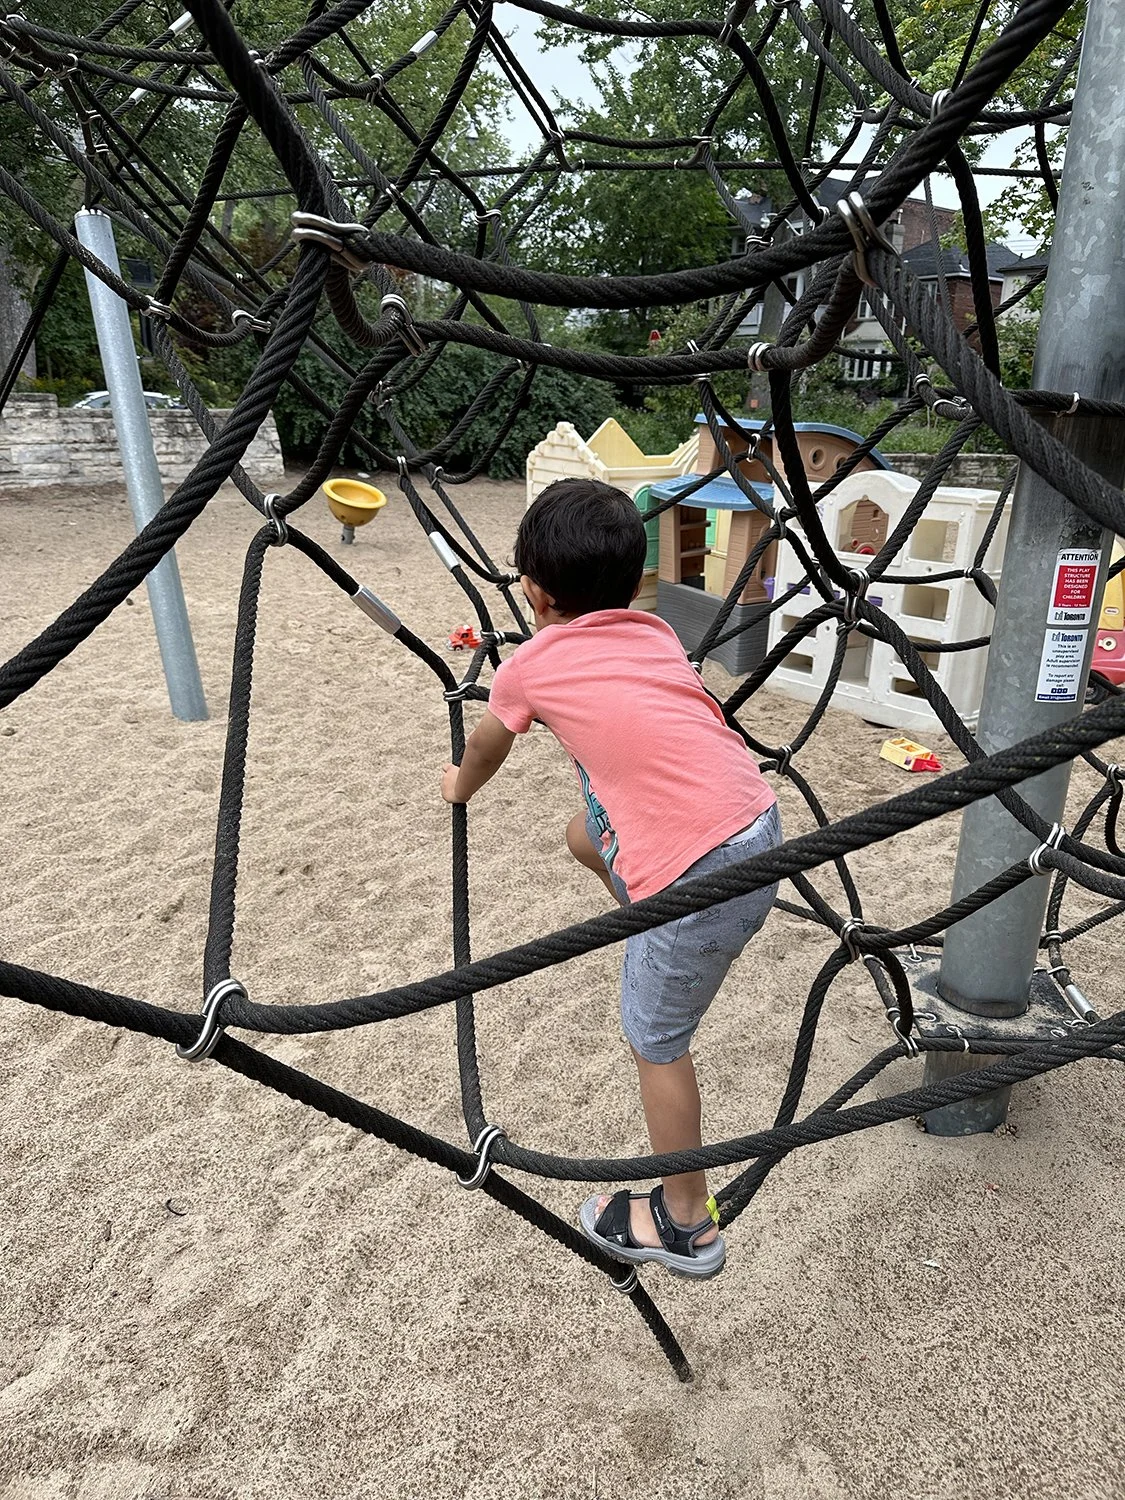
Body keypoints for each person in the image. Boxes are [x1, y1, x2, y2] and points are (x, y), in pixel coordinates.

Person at [440, 478, 780, 1278]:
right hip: (759, 827)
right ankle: (652, 921)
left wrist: (457, 786)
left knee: (655, 1042)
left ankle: (685, 1222)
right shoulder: (654, 632)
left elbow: (486, 745)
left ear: (531, 590)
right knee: (583, 835)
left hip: (703, 874)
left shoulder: (529, 665)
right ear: (634, 584)